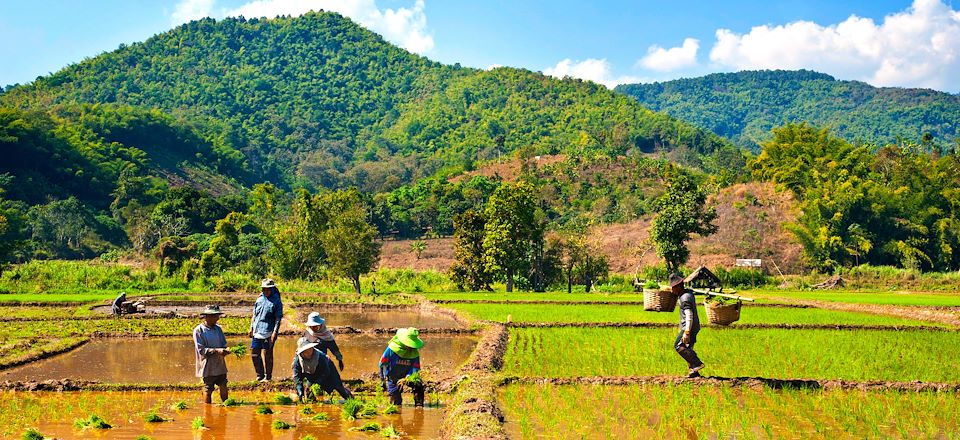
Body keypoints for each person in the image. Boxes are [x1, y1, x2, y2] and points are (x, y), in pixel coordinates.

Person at [292, 337, 353, 402]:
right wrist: (300, 391)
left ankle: (351, 399)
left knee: (339, 388)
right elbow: (297, 377)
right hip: (311, 374)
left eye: (310, 349)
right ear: (302, 352)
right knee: (309, 393)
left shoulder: (320, 356)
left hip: (328, 370)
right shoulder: (297, 361)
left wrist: (318, 382)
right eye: (306, 351)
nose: (309, 352)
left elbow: (326, 371)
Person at [193, 304, 231, 404]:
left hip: (220, 364)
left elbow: (223, 344)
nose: (217, 318)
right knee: (208, 389)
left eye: (217, 316)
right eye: (215, 316)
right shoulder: (199, 331)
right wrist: (217, 351)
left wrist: (226, 350)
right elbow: (201, 350)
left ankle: (226, 405)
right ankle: (207, 410)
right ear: (207, 316)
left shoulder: (218, 329)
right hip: (207, 365)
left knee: (223, 385)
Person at [379, 327, 425, 406]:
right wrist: (382, 380)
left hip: (408, 376)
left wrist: (408, 377)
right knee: (396, 401)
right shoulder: (391, 349)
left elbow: (415, 368)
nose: (410, 347)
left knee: (418, 386)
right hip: (393, 376)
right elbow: (382, 364)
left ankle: (419, 406)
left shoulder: (414, 353)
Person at [249, 278, 283, 382]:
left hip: (268, 331)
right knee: (254, 353)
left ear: (272, 289)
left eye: (268, 289)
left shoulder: (276, 301)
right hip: (257, 330)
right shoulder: (259, 299)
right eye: (264, 289)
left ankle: (268, 377)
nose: (266, 291)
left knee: (267, 354)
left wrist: (275, 332)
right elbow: (255, 314)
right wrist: (251, 327)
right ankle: (259, 375)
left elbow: (278, 318)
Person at [671, 273, 705, 378]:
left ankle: (697, 364)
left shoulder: (685, 298)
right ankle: (694, 373)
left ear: (678, 286)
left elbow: (689, 315)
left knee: (678, 345)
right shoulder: (687, 294)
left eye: (673, 288)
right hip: (694, 326)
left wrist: (686, 332)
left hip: (689, 326)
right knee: (688, 347)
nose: (672, 290)